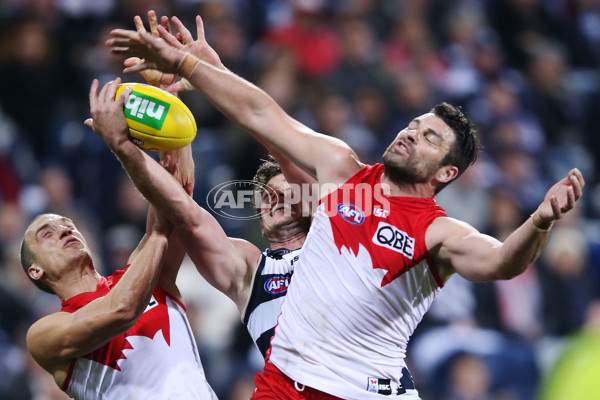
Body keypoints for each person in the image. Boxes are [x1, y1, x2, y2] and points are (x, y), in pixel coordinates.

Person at [107, 17, 585, 400]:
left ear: (446, 174)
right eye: (415, 124)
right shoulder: (342, 169)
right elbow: (261, 116)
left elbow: (502, 263)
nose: (412, 133)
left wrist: (540, 220)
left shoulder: (441, 233)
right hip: (282, 383)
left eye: (430, 137)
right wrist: (197, 66)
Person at [87, 11, 313, 360]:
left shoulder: (336, 239)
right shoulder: (249, 267)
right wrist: (131, 140)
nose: (274, 198)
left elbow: (279, 137)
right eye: (266, 195)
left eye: (285, 191)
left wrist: (210, 70)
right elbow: (184, 213)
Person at [22, 82, 217, 399]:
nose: (64, 230)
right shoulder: (44, 334)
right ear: (35, 270)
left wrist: (168, 108)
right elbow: (123, 309)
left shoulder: (142, 271)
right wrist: (158, 231)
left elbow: (178, 195)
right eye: (47, 233)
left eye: (68, 224)